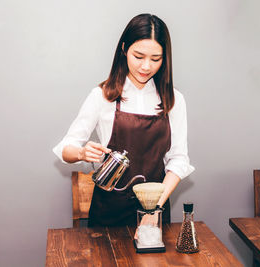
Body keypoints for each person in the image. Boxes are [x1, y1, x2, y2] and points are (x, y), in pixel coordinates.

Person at [53, 13, 194, 227]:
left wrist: (154, 209)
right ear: (124, 49)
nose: (146, 67)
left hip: (154, 214)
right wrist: (81, 153)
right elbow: (65, 148)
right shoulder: (102, 96)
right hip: (107, 214)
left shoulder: (174, 100)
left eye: (156, 59)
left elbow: (179, 160)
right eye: (139, 56)